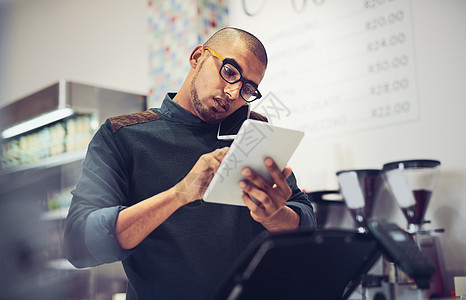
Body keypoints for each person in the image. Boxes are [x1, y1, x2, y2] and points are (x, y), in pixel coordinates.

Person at [64, 27, 316, 299]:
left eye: (247, 89)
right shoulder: (123, 135)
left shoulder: (252, 132)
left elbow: (305, 220)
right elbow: (79, 244)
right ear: (197, 57)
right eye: (229, 72)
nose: (232, 93)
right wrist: (180, 194)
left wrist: (275, 215)